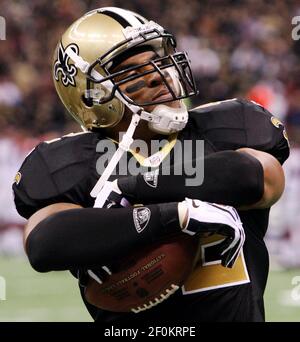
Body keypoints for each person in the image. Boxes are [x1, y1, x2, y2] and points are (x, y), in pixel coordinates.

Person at [12, 7, 289, 322]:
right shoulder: (74, 162)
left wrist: (132, 187)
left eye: (159, 62)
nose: (160, 75)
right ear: (94, 97)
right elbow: (43, 244)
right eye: (134, 72)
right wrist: (175, 215)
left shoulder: (225, 129)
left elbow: (261, 177)